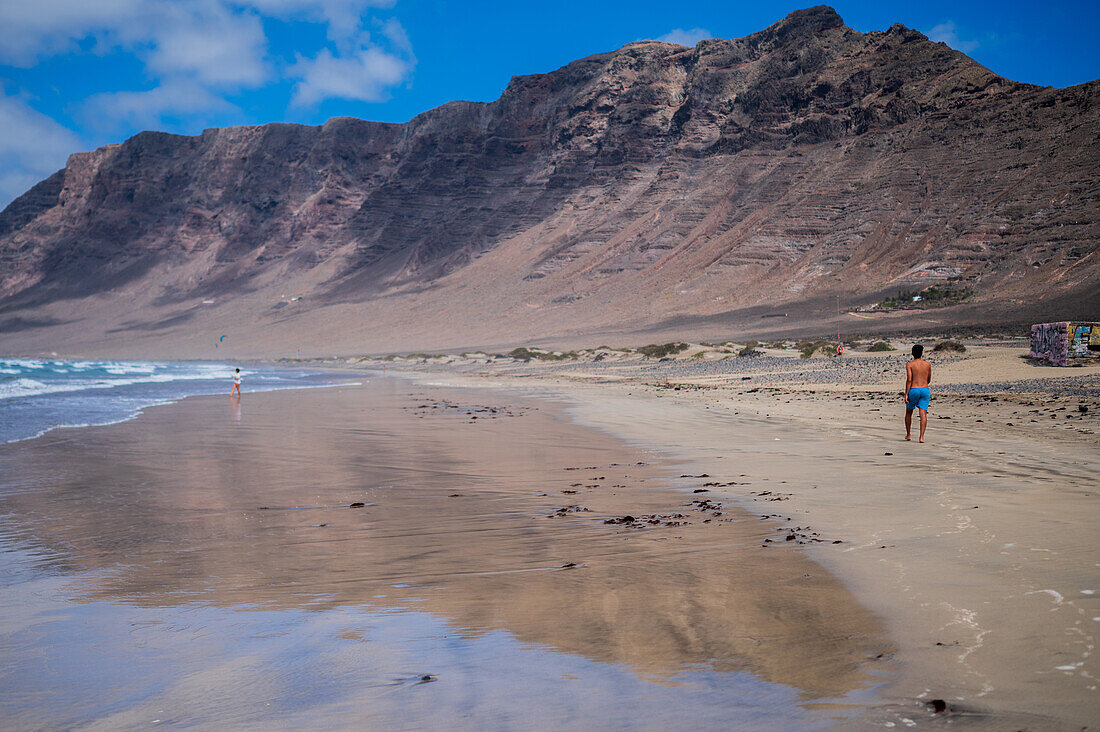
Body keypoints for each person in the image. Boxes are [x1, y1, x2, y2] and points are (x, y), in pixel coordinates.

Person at [903, 344, 931, 442]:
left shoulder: (910, 364)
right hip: (925, 389)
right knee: (923, 413)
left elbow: (909, 380)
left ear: (912, 353)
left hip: (914, 389)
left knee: (909, 412)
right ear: (922, 353)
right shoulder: (927, 364)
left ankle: (908, 434)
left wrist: (906, 393)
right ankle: (921, 437)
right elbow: (929, 379)